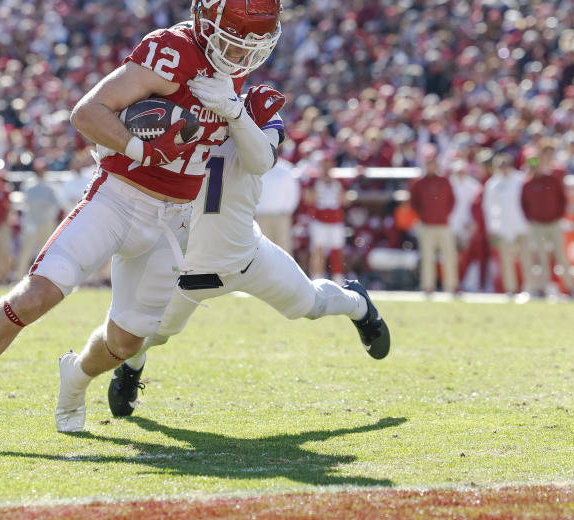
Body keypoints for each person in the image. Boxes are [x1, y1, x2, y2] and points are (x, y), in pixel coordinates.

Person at [0, 0, 284, 434]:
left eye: (254, 44)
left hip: (173, 224)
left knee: (126, 343)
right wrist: (142, 148)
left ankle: (74, 377)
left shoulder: (240, 80)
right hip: (118, 199)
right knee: (36, 296)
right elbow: (87, 112)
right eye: (234, 41)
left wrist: (235, 111)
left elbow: (261, 160)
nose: (242, 57)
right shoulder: (171, 53)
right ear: (204, 18)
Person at [107, 85, 389, 418]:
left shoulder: (256, 107)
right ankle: (130, 369)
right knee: (145, 335)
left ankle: (359, 305)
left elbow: (259, 162)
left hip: (247, 258)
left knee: (311, 305)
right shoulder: (168, 110)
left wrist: (236, 114)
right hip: (183, 268)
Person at [519, 145, 569, 296]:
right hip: (538, 224)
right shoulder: (527, 184)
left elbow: (562, 199)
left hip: (554, 223)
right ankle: (546, 289)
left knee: (561, 256)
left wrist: (558, 216)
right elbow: (524, 205)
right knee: (541, 258)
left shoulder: (552, 180)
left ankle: (570, 288)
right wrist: (532, 220)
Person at [409, 152, 457, 294]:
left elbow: (452, 201)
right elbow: (413, 204)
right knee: (427, 257)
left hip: (443, 225)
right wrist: (423, 216)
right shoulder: (419, 183)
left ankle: (451, 286)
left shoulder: (444, 181)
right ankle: (428, 286)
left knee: (449, 256)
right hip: (427, 225)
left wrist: (444, 214)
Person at [483, 153, 530, 295]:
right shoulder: (492, 184)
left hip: (521, 224)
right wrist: (492, 227)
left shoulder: (520, 179)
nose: (504, 169)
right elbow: (489, 207)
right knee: (506, 261)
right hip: (503, 227)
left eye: (506, 166)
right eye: (500, 166)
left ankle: (529, 288)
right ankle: (511, 289)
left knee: (525, 259)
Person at [16, 159, 62, 275]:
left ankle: (47, 275)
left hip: (45, 222)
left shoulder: (50, 186)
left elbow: (56, 205)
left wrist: (50, 219)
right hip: (32, 222)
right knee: (26, 251)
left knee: (46, 252)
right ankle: (19, 276)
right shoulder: (29, 185)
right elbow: (26, 204)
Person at [254, 158, 301, 256]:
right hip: (261, 216)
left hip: (281, 216)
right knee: (262, 251)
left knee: (284, 250)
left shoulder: (286, 168)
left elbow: (294, 192)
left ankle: (285, 272)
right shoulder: (256, 167)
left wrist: (287, 211)